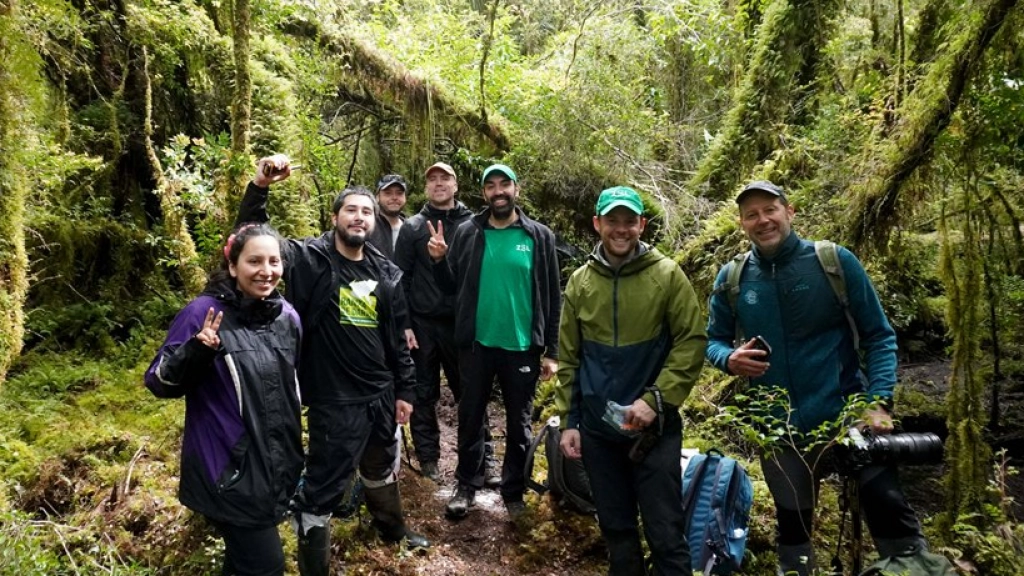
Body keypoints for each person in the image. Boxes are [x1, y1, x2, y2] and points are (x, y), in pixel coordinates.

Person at [705, 180, 927, 576]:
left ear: (789, 212)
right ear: (742, 223)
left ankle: (913, 567)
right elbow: (714, 342)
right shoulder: (733, 279)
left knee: (888, 507)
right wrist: (729, 359)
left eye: (770, 209)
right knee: (794, 527)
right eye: (752, 214)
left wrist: (877, 402)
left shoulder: (833, 262)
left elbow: (879, 335)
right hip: (779, 429)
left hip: (848, 416)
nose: (763, 220)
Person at [236, 156, 429, 576]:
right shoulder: (307, 258)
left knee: (380, 467)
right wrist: (260, 186)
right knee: (322, 488)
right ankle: (315, 567)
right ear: (335, 216)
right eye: (351, 210)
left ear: (375, 221)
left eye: (366, 212)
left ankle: (393, 531)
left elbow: (396, 337)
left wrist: (405, 392)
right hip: (334, 398)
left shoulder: (387, 272)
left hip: (380, 394)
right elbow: (251, 236)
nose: (359, 218)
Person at [555, 186, 706, 576]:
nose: (620, 230)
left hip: (654, 430)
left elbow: (691, 341)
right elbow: (570, 358)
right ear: (597, 224)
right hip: (598, 431)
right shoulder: (580, 283)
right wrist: (569, 422)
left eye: (629, 221)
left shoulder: (668, 275)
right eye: (612, 221)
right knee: (616, 529)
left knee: (665, 531)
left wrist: (656, 400)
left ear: (641, 224)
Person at [145, 223, 303, 576]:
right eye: (255, 261)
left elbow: (289, 389)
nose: (266, 271)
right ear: (233, 266)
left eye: (274, 261)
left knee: (242, 565)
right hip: (229, 471)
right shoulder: (204, 313)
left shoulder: (287, 317)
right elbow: (159, 382)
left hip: (274, 468)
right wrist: (197, 350)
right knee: (266, 567)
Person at [427, 163, 561, 520]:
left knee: (518, 424)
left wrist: (553, 351)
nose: (498, 191)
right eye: (491, 186)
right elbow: (451, 287)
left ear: (516, 189)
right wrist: (439, 261)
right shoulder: (470, 232)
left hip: (522, 345)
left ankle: (513, 490)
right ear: (483, 192)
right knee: (470, 416)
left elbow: (551, 294)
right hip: (476, 344)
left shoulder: (538, 236)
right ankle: (466, 485)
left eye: (505, 184)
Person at [394, 161, 500, 485]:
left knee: (471, 391)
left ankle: (485, 459)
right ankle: (429, 459)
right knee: (423, 393)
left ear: (456, 185)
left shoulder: (473, 225)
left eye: (445, 178)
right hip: (423, 324)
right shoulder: (412, 227)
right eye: (433, 180)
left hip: (462, 323)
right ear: (426, 188)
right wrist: (405, 324)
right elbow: (400, 279)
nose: (439, 184)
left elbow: (486, 275)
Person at [367, 174, 408, 261]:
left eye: (399, 193)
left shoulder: (411, 228)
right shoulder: (367, 226)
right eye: (388, 193)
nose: (394, 198)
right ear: (377, 197)